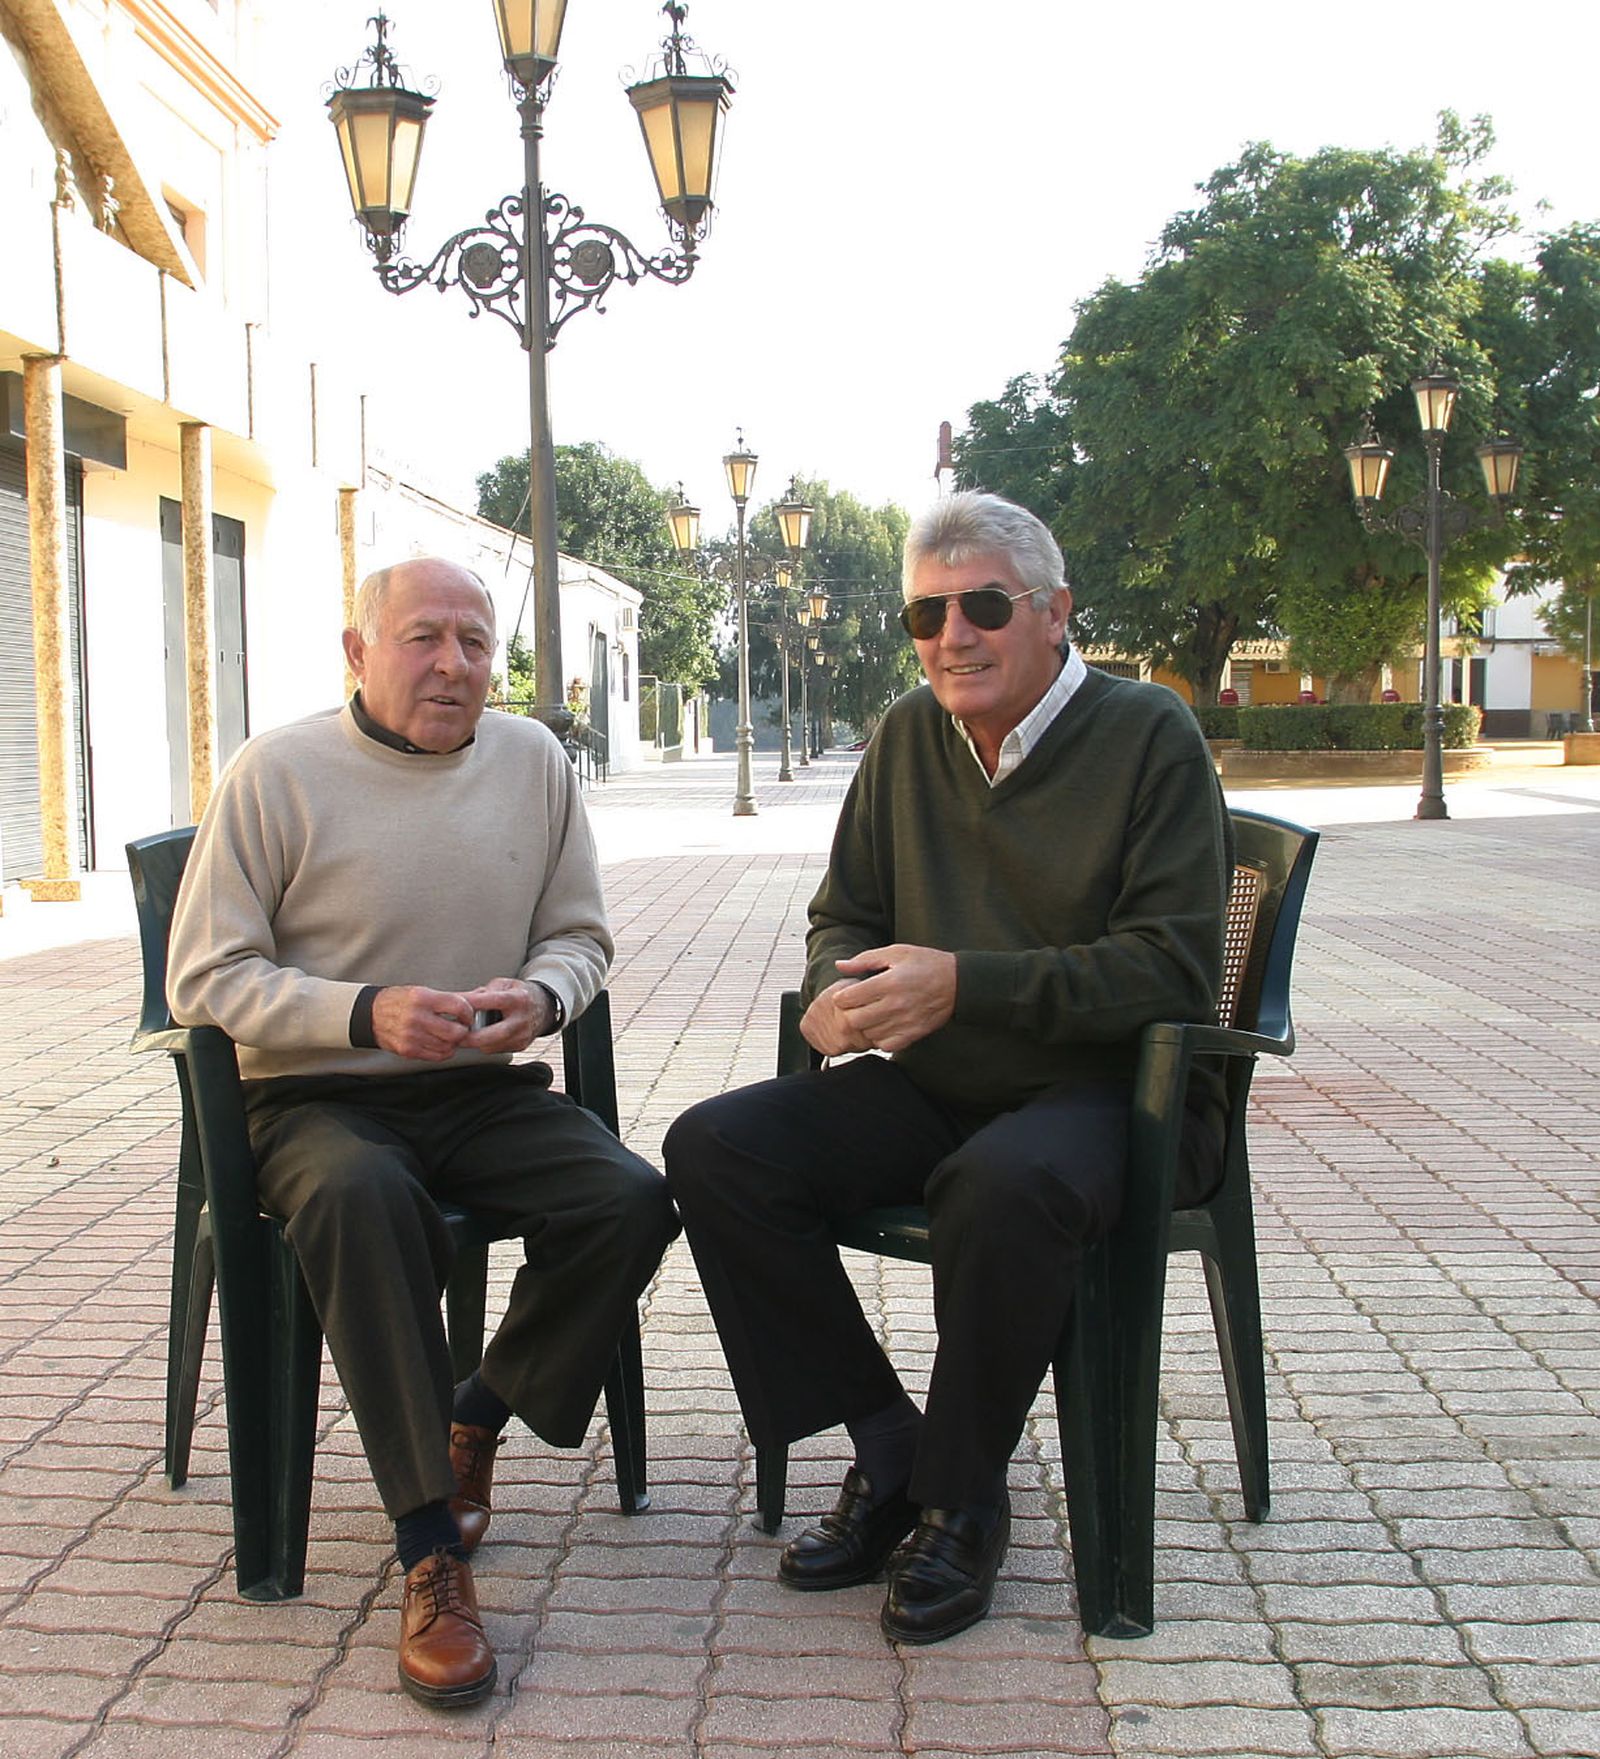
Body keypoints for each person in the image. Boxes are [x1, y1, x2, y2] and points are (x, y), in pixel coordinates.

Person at [664, 492, 1231, 1645]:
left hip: (1116, 1095)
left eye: (983, 606)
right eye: (926, 614)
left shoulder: (1149, 734)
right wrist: (838, 993)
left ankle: (962, 1498)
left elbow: (1173, 968)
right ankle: (890, 1447)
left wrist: (966, 985)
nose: (952, 636)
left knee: (1001, 1184)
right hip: (942, 1084)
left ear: (1055, 613)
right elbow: (845, 913)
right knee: (716, 1148)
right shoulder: (906, 735)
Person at [167, 558, 676, 1708]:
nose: (452, 665)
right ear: (358, 652)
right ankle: (428, 1548)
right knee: (363, 1197)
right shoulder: (276, 772)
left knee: (630, 1200)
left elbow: (581, 937)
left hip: (476, 1088)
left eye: (474, 643)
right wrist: (364, 1012)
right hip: (316, 1098)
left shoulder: (534, 762)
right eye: (421, 639)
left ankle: (473, 1413)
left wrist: (539, 997)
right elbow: (204, 976)